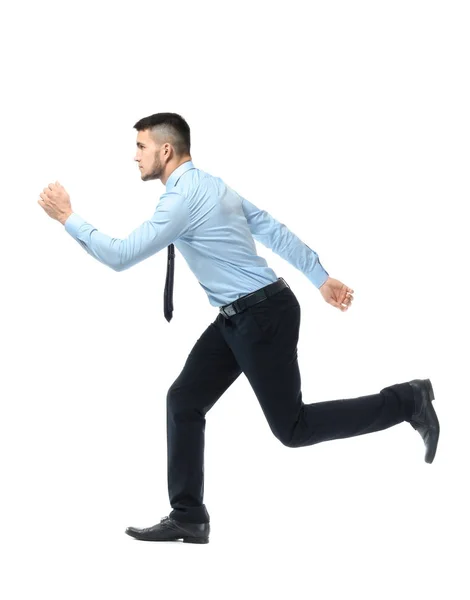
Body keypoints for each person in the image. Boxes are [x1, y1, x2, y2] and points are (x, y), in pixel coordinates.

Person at [38, 112, 440, 545]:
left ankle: (408, 400)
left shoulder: (181, 200)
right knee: (184, 399)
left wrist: (68, 217)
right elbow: (269, 227)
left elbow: (119, 256)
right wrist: (319, 277)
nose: (134, 156)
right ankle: (189, 516)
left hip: (261, 318)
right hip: (240, 316)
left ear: (166, 150)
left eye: (140, 147)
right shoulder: (211, 184)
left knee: (294, 429)